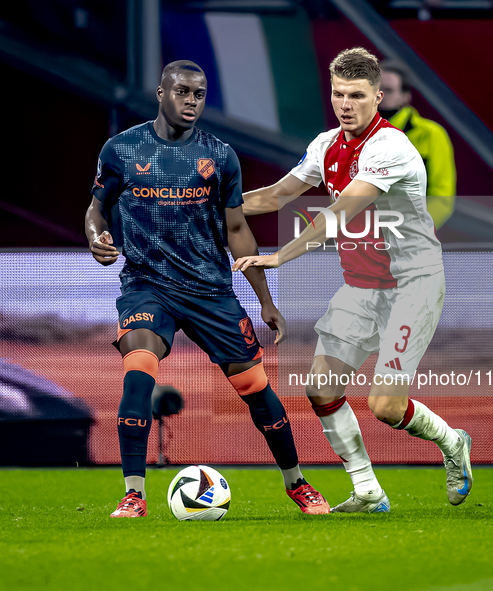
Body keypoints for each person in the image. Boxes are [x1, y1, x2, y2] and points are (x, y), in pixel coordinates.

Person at [85, 60, 329, 518]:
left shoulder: (219, 156)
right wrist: (95, 237)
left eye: (198, 94)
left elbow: (237, 229)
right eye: (181, 92)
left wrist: (265, 299)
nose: (191, 101)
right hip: (146, 284)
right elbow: (96, 210)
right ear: (161, 93)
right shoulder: (121, 149)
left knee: (254, 385)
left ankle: (297, 483)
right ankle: (133, 494)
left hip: (209, 289)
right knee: (138, 367)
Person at [236, 48, 472, 513]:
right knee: (321, 387)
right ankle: (367, 491)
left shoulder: (391, 148)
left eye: (357, 95)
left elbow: (342, 213)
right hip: (362, 286)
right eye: (339, 93)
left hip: (412, 284)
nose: (346, 103)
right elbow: (276, 196)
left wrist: (281, 255)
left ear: (377, 97)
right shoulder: (326, 145)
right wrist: (205, 202)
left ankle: (453, 442)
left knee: (385, 405)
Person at [378, 62, 456, 229]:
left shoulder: (430, 134)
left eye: (389, 90)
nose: (380, 95)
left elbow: (442, 194)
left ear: (405, 96)